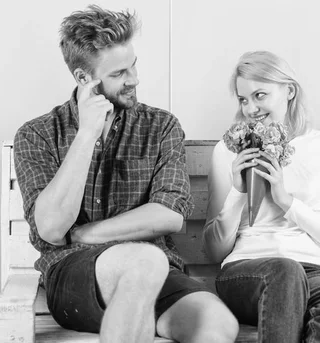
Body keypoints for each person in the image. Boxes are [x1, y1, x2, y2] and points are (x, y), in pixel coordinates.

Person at [13, 5, 238, 343]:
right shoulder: (37, 135)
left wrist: (86, 232)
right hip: (76, 273)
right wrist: (86, 134)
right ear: (83, 78)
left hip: (158, 268)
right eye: (119, 73)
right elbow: (52, 228)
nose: (133, 79)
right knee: (143, 260)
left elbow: (169, 215)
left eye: (133, 65)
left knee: (217, 325)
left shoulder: (161, 126)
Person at [202, 51, 320, 343]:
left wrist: (286, 201)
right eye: (243, 99)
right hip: (247, 271)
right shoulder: (229, 151)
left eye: (260, 95)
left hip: (316, 271)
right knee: (284, 272)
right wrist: (238, 191)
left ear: (289, 91)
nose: (250, 109)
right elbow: (213, 251)